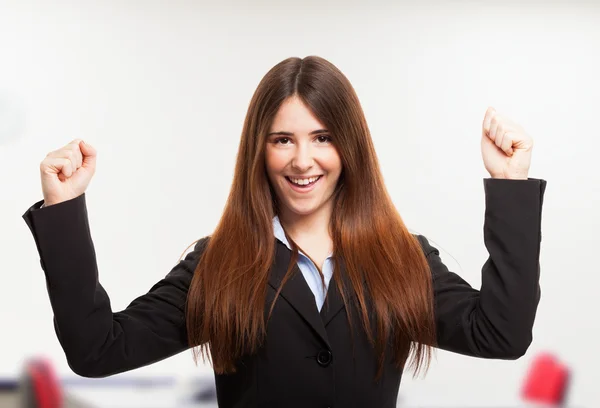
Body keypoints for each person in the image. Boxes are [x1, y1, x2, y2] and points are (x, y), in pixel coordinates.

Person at [22, 56, 547, 408]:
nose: (302, 160)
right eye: (282, 140)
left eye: (322, 137)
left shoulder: (400, 258)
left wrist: (510, 187)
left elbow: (500, 334)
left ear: (349, 147)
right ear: (260, 149)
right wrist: (63, 209)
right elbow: (97, 350)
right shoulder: (219, 263)